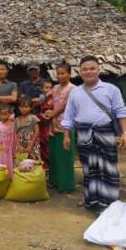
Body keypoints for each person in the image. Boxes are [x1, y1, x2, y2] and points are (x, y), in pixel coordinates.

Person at [62, 55, 126, 213]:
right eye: (85, 69)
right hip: (84, 133)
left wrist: (125, 133)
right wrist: (66, 135)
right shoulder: (75, 92)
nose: (89, 72)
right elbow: (69, 116)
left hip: (105, 132)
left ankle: (109, 202)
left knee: (108, 167)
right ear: (80, 72)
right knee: (89, 167)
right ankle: (91, 199)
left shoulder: (111, 89)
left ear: (99, 70)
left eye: (92, 68)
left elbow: (121, 111)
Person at [44, 63, 76, 193]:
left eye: (63, 73)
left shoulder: (73, 88)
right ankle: (54, 182)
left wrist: (52, 113)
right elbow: (48, 100)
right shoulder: (55, 87)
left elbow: (64, 106)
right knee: (54, 155)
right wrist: (46, 109)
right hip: (53, 126)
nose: (60, 76)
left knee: (65, 156)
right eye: (58, 73)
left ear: (69, 74)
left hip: (65, 126)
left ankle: (66, 185)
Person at [0, 104, 15, 177]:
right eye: (1, 114)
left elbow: (14, 138)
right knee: (0, 163)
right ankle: (1, 179)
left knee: (9, 164)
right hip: (0, 149)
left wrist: (14, 149)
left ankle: (10, 179)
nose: (3, 116)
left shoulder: (13, 125)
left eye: (5, 114)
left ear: (10, 114)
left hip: (10, 150)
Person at [37, 80, 54, 170]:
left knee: (47, 143)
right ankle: (44, 166)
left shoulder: (51, 97)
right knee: (42, 143)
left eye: (50, 88)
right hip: (42, 121)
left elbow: (48, 107)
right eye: (46, 87)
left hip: (48, 121)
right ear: (42, 88)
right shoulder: (42, 96)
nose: (48, 89)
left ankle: (49, 166)